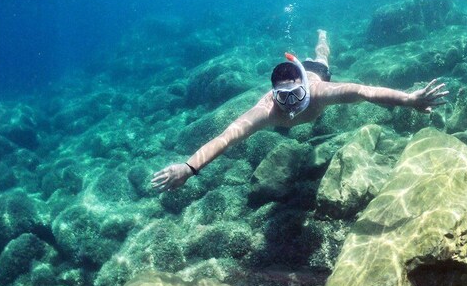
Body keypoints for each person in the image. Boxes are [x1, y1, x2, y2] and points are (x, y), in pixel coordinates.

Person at [151, 30, 448, 191]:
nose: (291, 104)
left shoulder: (319, 92)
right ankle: (307, 54)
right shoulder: (266, 110)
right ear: (273, 94)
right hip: (299, 75)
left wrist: (409, 99)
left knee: (322, 57)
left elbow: (364, 91)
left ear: (305, 88)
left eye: (296, 95)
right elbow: (226, 137)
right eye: (284, 97)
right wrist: (189, 168)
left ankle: (322, 38)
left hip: (315, 71)